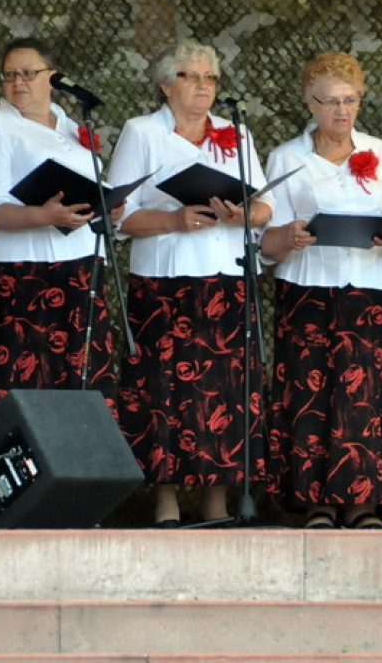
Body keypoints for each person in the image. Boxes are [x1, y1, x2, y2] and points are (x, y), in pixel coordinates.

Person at [107, 40, 272, 527]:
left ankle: (218, 501)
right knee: (163, 393)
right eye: (190, 76)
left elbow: (265, 208)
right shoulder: (142, 132)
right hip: (165, 282)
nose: (203, 86)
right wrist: (174, 220)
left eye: (210, 78)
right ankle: (165, 501)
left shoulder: (235, 134)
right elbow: (120, 216)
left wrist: (245, 212)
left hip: (226, 278)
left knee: (223, 392)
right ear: (165, 85)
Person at [260, 51, 382, 529]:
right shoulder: (287, 157)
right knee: (313, 395)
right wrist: (288, 236)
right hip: (311, 291)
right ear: (309, 102)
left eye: (349, 100)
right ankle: (318, 503)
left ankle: (364, 504)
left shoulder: (381, 152)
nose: (341, 111)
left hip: (374, 291)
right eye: (330, 101)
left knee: (370, 397)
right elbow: (265, 240)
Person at [0, 37, 121, 408]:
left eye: (29, 73)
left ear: (53, 77)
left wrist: (108, 206)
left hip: (81, 268)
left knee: (82, 384)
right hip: (24, 273)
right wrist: (43, 216)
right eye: (9, 75)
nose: (18, 82)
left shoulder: (71, 127)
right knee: (29, 383)